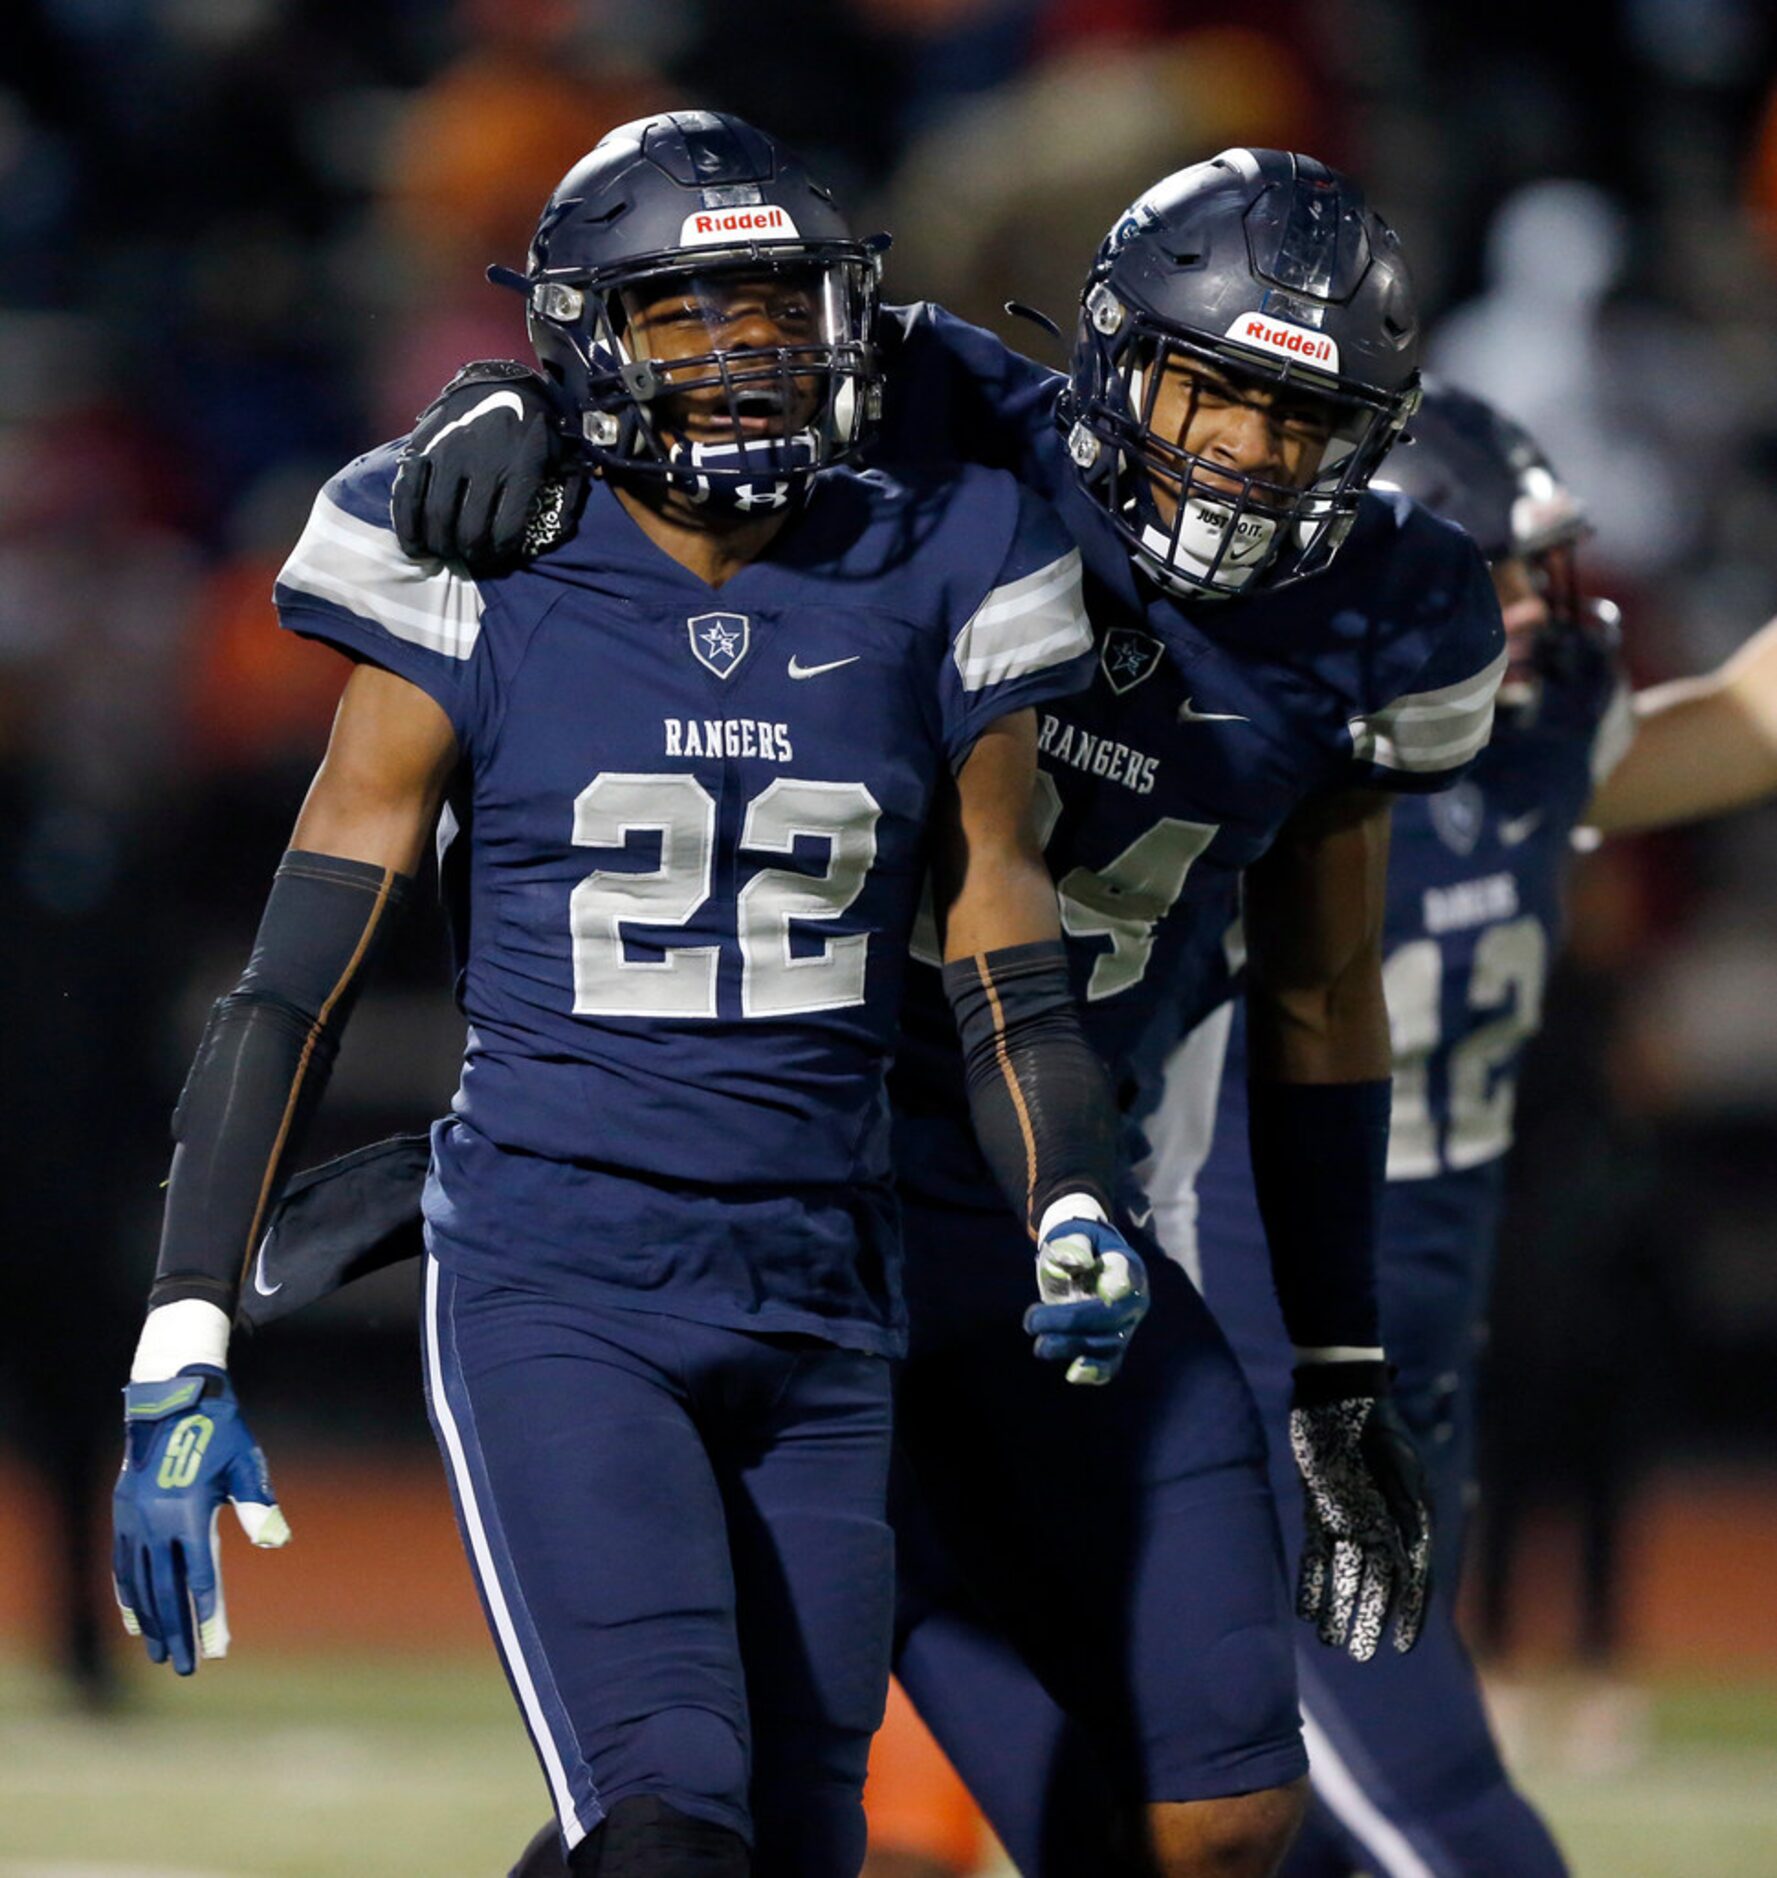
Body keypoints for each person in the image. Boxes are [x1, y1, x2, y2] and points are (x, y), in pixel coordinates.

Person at [259, 150, 1504, 1877]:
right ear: (1107, 354)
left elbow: (1315, 990)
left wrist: (1342, 1358)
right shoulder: (938, 413)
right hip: (800, 1182)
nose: (1239, 450)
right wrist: (502, 401)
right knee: (729, 1808)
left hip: (1049, 1211)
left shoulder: (1394, 611)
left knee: (1218, 1811)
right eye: (1209, 387)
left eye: (1298, 417)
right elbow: (679, 332)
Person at [109, 110, 1149, 1878]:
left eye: (775, 313)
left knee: (782, 1849)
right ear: (586, 340)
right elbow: (297, 977)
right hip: (562, 1275)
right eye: (686, 316)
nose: (744, 360)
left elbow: (999, 924)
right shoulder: (471, 554)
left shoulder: (945, 549)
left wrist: (1068, 1187)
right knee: (666, 1823)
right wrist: (185, 1321)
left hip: (831, 1283)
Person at [1149, 381, 1777, 1876]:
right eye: (1478, 571)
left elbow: (1752, 721)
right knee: (1456, 1835)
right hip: (1251, 1383)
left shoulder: (1536, 740)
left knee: (1308, 1849)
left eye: (1522, 568)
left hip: (1411, 1382)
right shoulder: (1247, 761)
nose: (1519, 606)